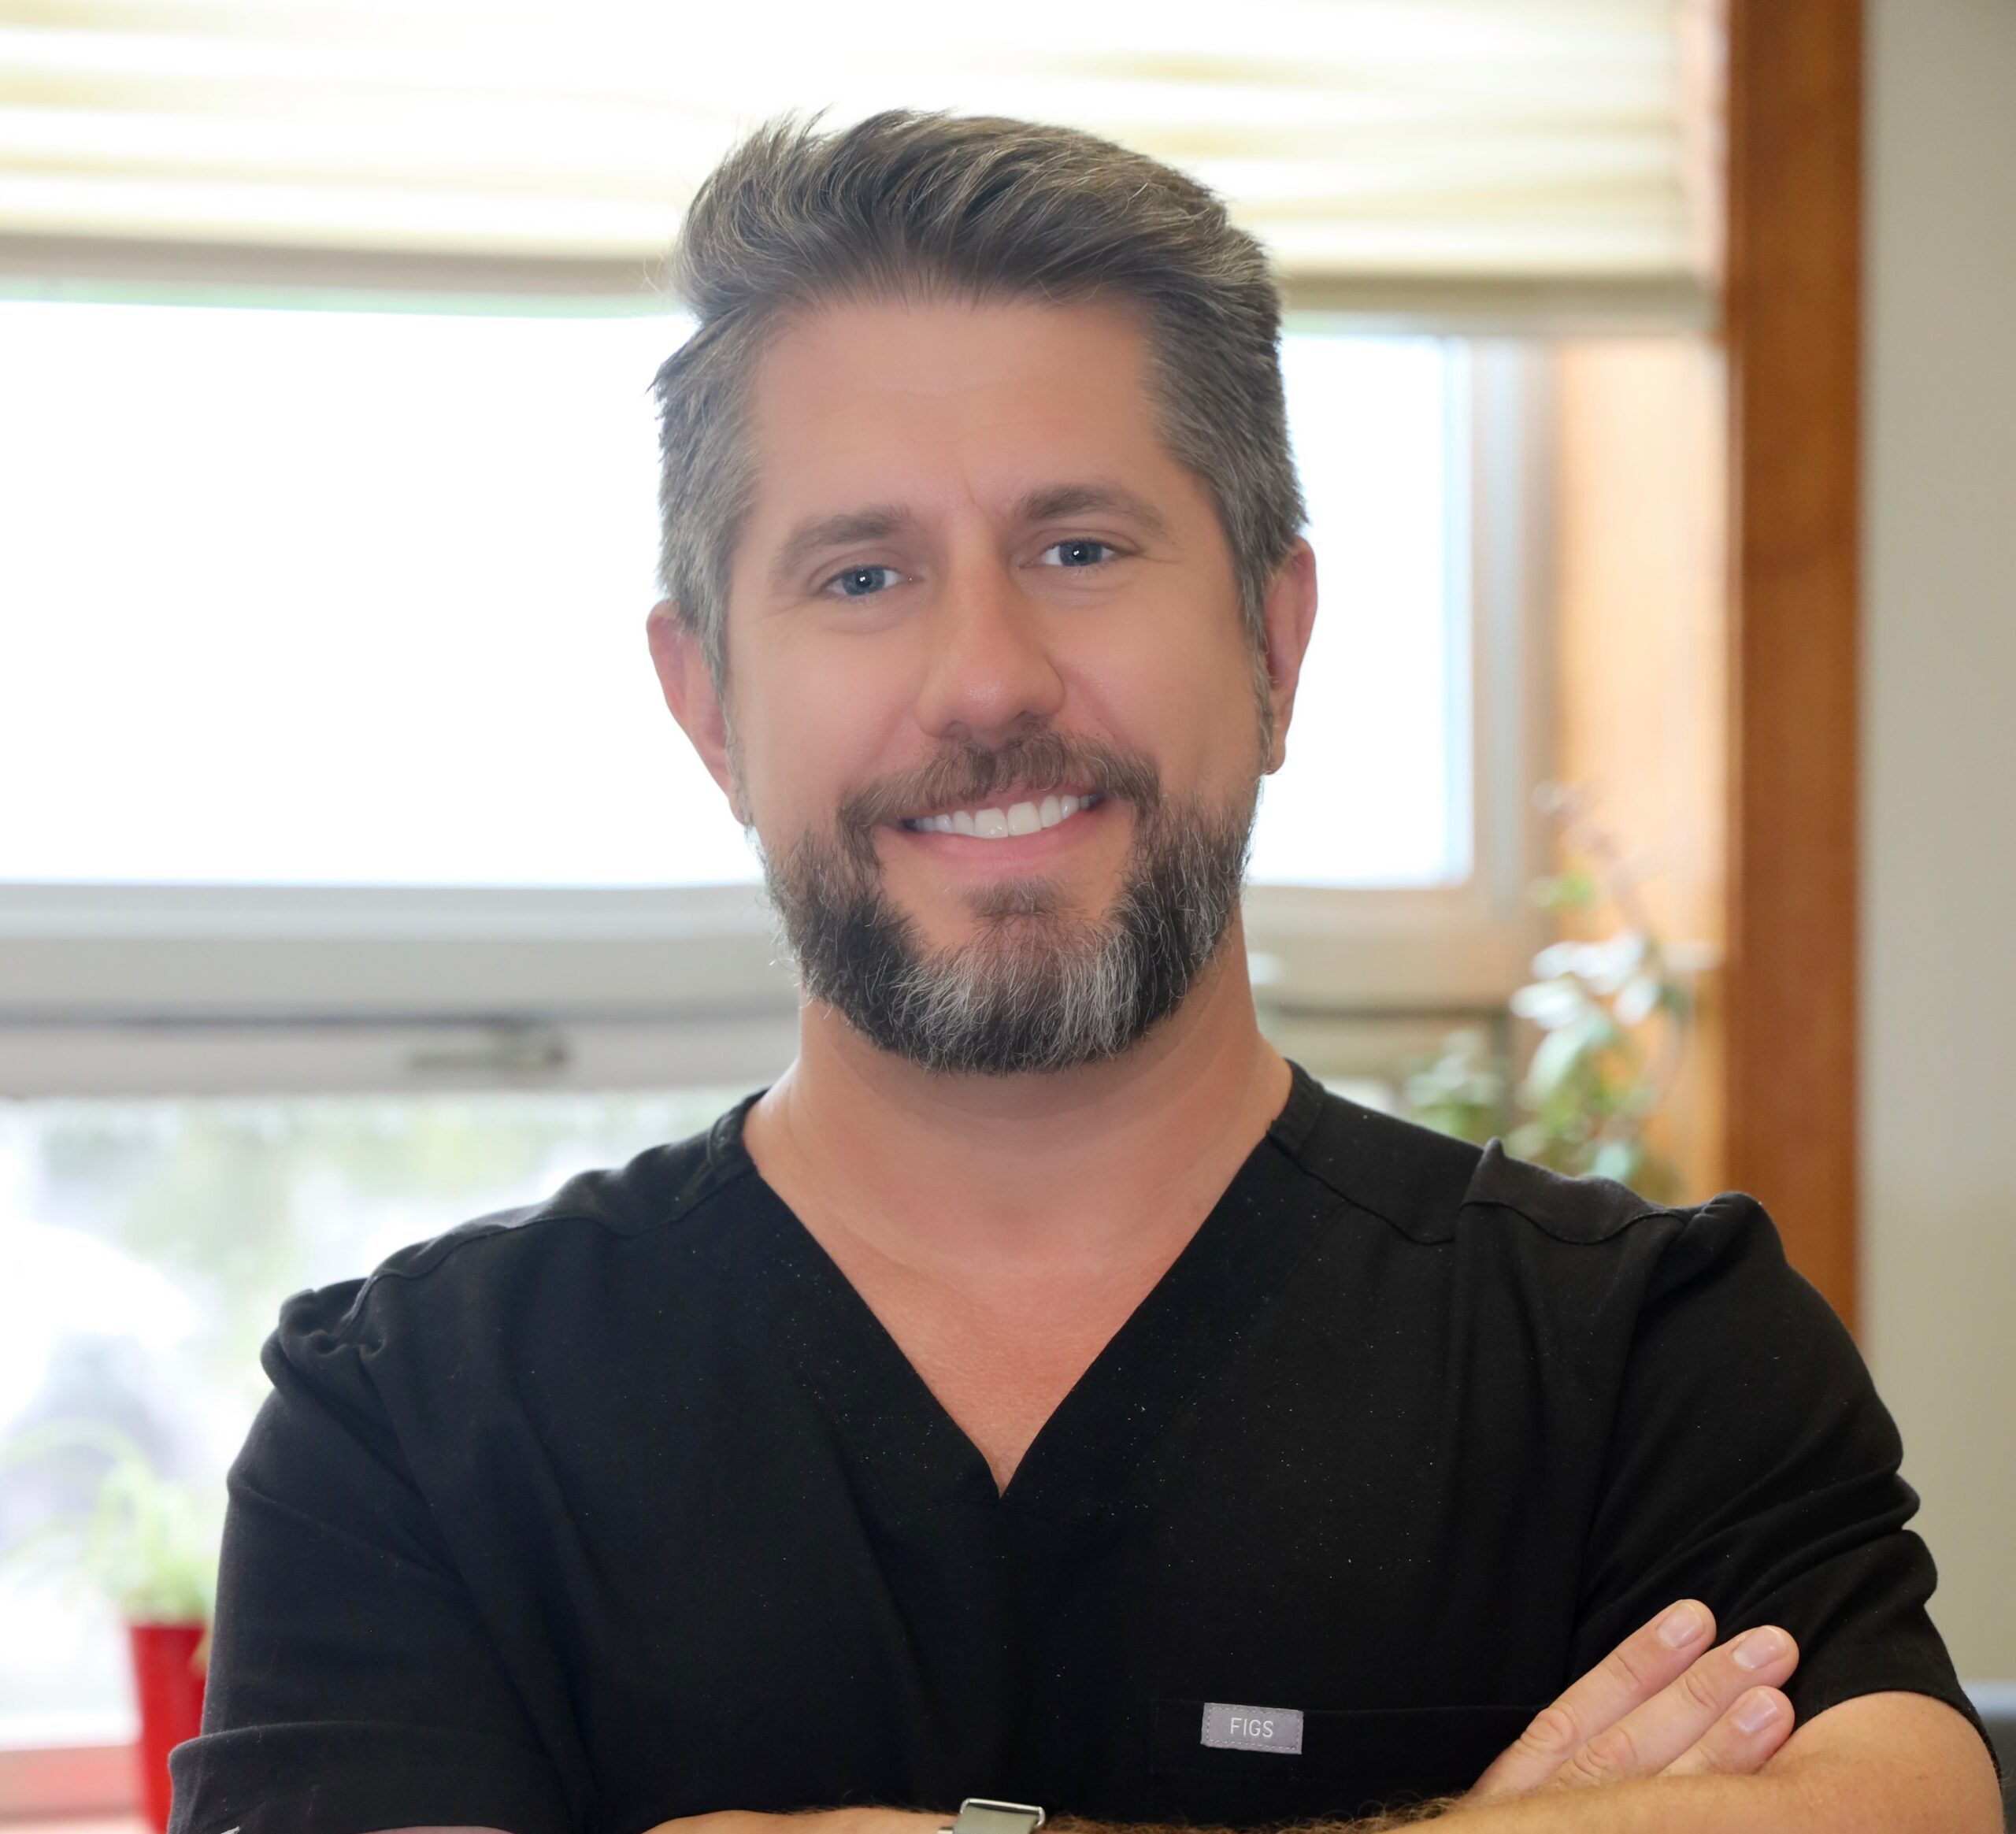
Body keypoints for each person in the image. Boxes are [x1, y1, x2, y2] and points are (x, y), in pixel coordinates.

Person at [168, 112, 2000, 1834]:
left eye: (1078, 546)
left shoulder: (1645, 1358)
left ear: (1274, 643)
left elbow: (1898, 1801)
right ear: (706, 702)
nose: (987, 679)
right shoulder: (410, 1422)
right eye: (862, 575)